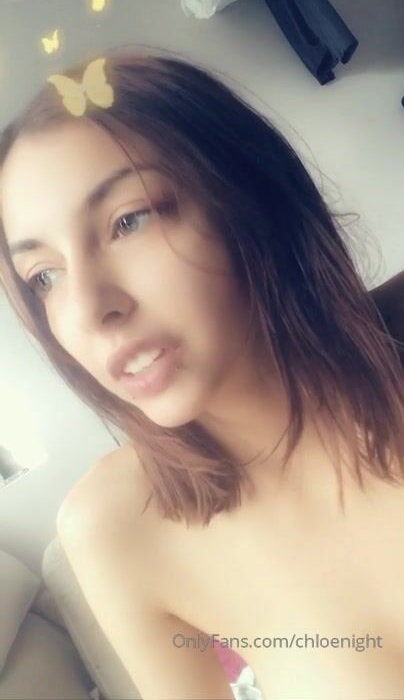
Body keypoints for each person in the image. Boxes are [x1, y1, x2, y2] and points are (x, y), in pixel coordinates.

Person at [1, 49, 404, 700]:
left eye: (129, 220)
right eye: (43, 276)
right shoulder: (115, 525)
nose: (89, 308)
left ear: (248, 196)